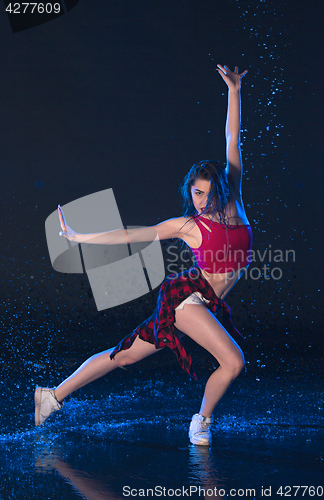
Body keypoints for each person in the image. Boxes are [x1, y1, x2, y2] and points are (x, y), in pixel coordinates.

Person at [35, 64, 252, 446]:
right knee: (233, 362)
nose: (201, 200)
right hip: (187, 302)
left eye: (207, 192)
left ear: (221, 187)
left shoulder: (235, 204)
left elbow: (232, 140)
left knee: (125, 357)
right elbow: (132, 234)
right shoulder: (188, 226)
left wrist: (234, 90)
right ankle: (201, 422)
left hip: (204, 303)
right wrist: (78, 235)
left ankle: (51, 396)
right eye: (196, 193)